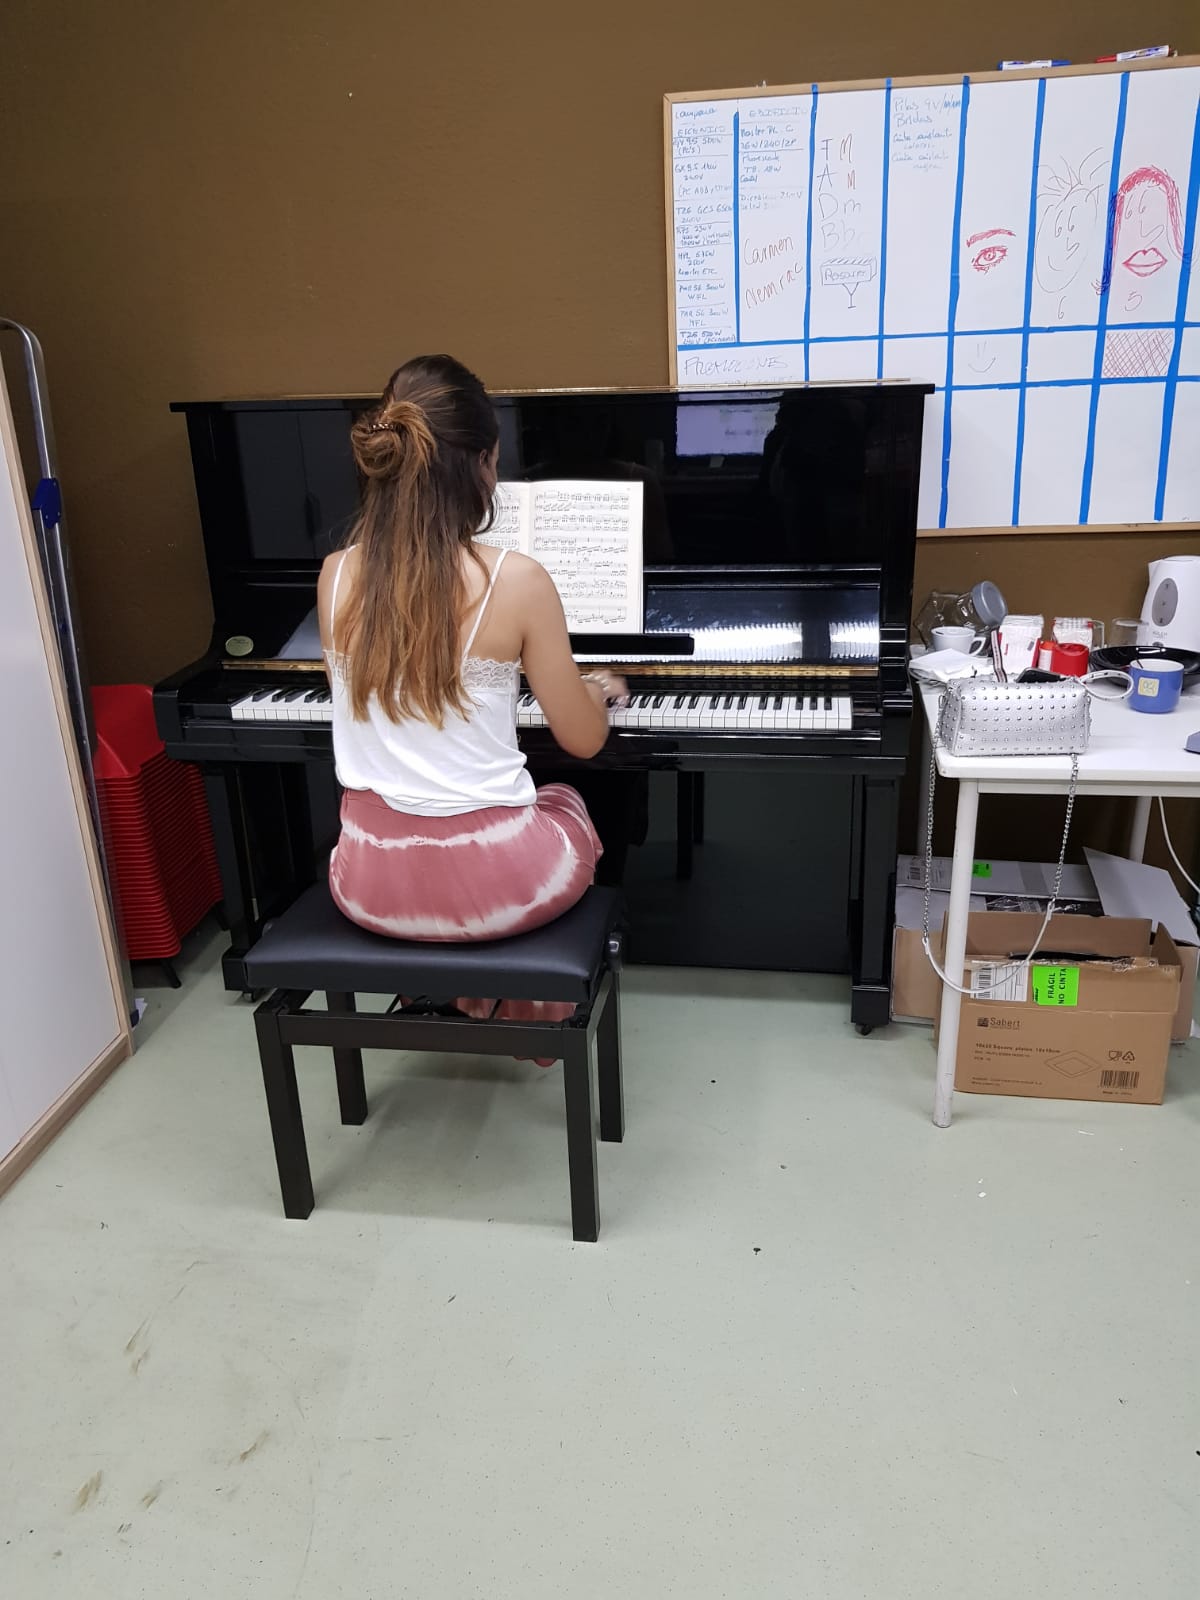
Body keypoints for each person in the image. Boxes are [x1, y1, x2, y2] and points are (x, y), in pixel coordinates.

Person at [317, 354, 627, 1059]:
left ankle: (463, 993)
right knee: (566, 802)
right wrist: (596, 690)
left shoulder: (335, 575)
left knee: (497, 817)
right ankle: (518, 1008)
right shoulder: (518, 580)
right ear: (486, 463)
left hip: (366, 884)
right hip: (497, 886)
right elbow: (583, 740)